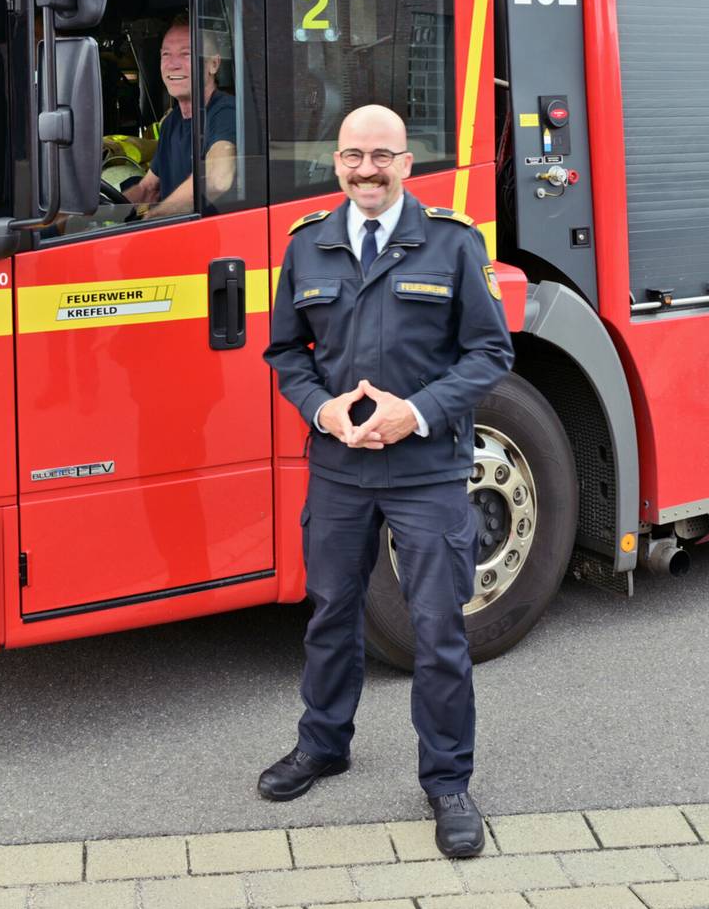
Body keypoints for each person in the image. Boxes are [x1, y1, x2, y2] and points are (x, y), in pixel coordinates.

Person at [257, 104, 514, 858]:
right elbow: (285, 353)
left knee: (436, 628)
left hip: (425, 470)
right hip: (339, 466)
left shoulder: (453, 242)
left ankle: (448, 782)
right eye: (352, 156)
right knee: (332, 612)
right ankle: (323, 743)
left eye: (381, 156)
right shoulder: (309, 245)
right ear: (336, 162)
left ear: (408, 163)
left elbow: (491, 351)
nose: (366, 169)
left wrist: (419, 411)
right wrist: (323, 405)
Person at [123, 15, 235, 219]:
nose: (172, 65)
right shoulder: (172, 122)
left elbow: (217, 178)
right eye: (166, 54)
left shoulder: (226, 112)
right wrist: (91, 219)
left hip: (214, 242)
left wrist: (154, 219)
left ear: (214, 64)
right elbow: (148, 188)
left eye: (186, 54)